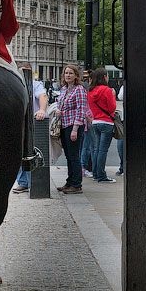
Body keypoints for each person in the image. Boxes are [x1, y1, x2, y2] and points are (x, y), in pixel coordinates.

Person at [12, 63, 48, 194]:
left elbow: (42, 96)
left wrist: (42, 110)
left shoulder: (35, 84)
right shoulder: (15, 84)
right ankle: (23, 182)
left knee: (31, 151)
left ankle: (31, 182)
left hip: (32, 122)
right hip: (19, 122)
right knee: (19, 152)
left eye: (26, 71)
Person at [53, 64, 88, 194]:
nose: (68, 75)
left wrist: (75, 129)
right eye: (66, 73)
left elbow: (81, 109)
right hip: (64, 124)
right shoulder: (64, 89)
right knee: (68, 155)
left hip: (74, 125)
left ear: (76, 76)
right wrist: (58, 110)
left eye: (71, 73)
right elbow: (60, 104)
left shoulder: (79, 89)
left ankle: (77, 184)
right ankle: (70, 181)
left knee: (74, 155)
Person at [87, 66, 117, 183]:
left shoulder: (91, 90)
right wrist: (113, 96)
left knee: (96, 149)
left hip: (95, 122)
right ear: (104, 77)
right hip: (106, 122)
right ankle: (101, 175)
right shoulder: (106, 90)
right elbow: (112, 108)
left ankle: (95, 173)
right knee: (103, 150)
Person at [79, 69, 94, 178]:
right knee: (87, 147)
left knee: (83, 147)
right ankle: (84, 168)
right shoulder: (86, 89)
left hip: (81, 121)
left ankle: (82, 167)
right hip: (88, 121)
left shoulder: (81, 87)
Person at [116, 83, 124, 176]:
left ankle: (122, 167)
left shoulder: (124, 86)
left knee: (121, 140)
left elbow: (120, 96)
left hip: (124, 119)